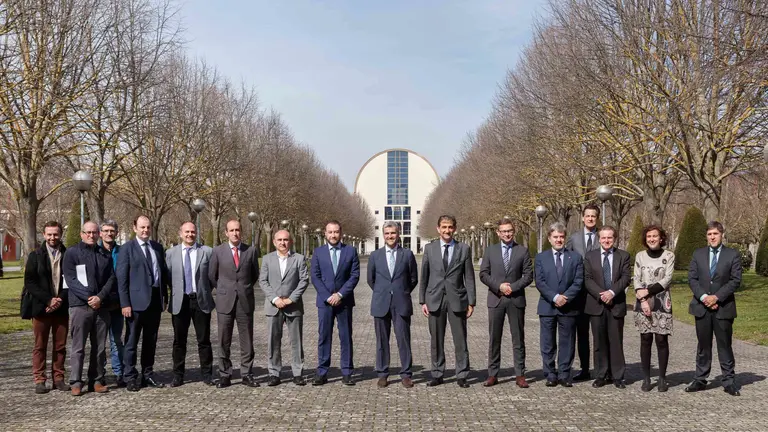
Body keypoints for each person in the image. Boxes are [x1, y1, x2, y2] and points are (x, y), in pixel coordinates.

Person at [685, 221, 742, 396]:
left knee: (724, 345)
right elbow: (692, 279)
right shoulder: (698, 254)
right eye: (709, 234)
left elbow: (735, 280)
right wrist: (704, 297)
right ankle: (700, 379)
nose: (712, 237)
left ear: (721, 235)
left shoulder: (732, 255)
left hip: (723, 307)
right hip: (701, 307)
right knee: (703, 346)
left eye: (715, 234)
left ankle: (729, 381)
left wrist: (716, 297)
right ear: (706, 236)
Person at [419, 215, 476, 388]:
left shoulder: (464, 249)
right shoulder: (429, 249)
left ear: (455, 228)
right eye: (443, 227)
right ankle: (437, 373)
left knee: (460, 340)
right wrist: (423, 301)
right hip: (435, 299)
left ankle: (462, 374)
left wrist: (471, 302)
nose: (447, 230)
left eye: (450, 227)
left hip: (457, 300)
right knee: (436, 340)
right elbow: (425, 276)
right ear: (438, 228)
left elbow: (469, 277)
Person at [62, 221, 117, 396]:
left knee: (99, 346)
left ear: (98, 234)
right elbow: (71, 280)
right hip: (79, 306)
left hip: (101, 307)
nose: (91, 235)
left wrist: (100, 297)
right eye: (88, 232)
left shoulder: (104, 254)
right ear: (81, 234)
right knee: (78, 346)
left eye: (94, 232)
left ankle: (97, 379)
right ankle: (76, 381)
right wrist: (89, 298)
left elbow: (111, 278)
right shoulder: (71, 253)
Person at [479, 218, 533, 388]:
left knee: (518, 339)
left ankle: (520, 374)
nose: (507, 234)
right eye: (503, 231)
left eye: (509, 230)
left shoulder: (522, 251)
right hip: (496, 299)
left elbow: (528, 275)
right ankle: (493, 374)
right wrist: (499, 287)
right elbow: (483, 274)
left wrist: (513, 287)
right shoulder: (490, 251)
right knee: (494, 338)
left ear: (513, 231)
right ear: (498, 233)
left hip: (516, 300)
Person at [116, 215, 168, 392]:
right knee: (131, 341)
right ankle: (130, 376)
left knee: (150, 341)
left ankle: (148, 374)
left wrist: (165, 297)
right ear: (134, 228)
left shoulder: (157, 248)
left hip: (154, 302)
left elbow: (163, 274)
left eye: (148, 227)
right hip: (134, 304)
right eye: (142, 227)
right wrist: (125, 304)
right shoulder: (127, 249)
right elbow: (121, 279)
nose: (145, 231)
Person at [209, 219, 260, 388]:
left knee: (247, 340)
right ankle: (225, 374)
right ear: (226, 232)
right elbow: (212, 276)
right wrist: (224, 289)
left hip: (244, 301)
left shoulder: (251, 251)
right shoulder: (217, 251)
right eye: (231, 230)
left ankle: (247, 373)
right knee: (224, 339)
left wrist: (242, 289)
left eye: (237, 230)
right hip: (225, 301)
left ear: (241, 231)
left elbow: (254, 275)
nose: (235, 233)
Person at [367, 221, 418, 388]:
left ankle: (406, 374)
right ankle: (382, 373)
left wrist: (400, 291)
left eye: (393, 233)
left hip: (401, 302)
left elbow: (413, 279)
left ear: (399, 234)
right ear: (383, 235)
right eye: (387, 233)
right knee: (382, 340)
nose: (390, 236)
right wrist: (384, 291)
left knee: (403, 339)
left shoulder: (407, 254)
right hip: (381, 303)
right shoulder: (375, 256)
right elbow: (371, 280)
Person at [310, 220, 360, 386]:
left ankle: (347, 372)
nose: (333, 235)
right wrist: (327, 296)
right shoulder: (318, 252)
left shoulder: (350, 251)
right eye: (330, 232)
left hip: (344, 301)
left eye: (336, 232)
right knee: (324, 337)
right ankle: (322, 372)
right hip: (324, 303)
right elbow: (315, 277)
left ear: (341, 233)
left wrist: (339, 294)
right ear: (325, 233)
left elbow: (354, 276)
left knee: (345, 337)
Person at [166, 222, 215, 387]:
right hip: (180, 301)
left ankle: (207, 374)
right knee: (179, 341)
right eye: (187, 232)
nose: (190, 235)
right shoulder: (170, 253)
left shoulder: (207, 252)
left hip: (200, 300)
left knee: (204, 340)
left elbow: (212, 276)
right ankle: (178, 375)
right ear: (180, 233)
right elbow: (167, 276)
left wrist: (205, 290)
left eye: (193, 232)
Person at [535, 222, 583, 387]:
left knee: (567, 342)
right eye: (555, 237)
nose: (559, 240)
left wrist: (566, 297)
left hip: (568, 306)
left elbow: (578, 281)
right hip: (548, 306)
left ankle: (564, 373)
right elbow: (540, 282)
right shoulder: (541, 258)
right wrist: (555, 297)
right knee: (547, 343)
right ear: (549, 238)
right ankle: (550, 373)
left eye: (561, 237)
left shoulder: (575, 257)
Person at [24, 221, 69, 394]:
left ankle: (59, 378)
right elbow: (30, 282)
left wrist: (59, 301)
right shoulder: (35, 256)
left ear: (60, 235)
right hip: (41, 308)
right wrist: (49, 300)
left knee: (60, 346)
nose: (52, 237)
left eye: (55, 234)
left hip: (62, 307)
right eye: (49, 234)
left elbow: (71, 281)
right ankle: (40, 379)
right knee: (40, 346)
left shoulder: (67, 254)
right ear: (44, 235)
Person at [259, 230, 309, 387]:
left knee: (296, 341)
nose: (282, 242)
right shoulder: (267, 259)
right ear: (274, 242)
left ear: (291, 242)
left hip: (293, 306)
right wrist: (275, 299)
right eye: (279, 240)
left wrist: (290, 299)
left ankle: (297, 373)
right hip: (273, 306)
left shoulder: (299, 259)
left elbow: (304, 281)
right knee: (273, 341)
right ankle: (274, 373)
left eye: (286, 240)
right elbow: (263, 281)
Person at [583, 226, 630, 389]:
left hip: (616, 304)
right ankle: (601, 375)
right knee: (599, 341)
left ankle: (617, 376)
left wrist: (611, 293)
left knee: (616, 341)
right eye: (603, 238)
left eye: (609, 237)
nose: (606, 240)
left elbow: (625, 278)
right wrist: (602, 294)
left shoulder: (623, 256)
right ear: (599, 239)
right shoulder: (590, 256)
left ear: (614, 238)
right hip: (596, 304)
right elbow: (587, 279)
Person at [632, 225, 674, 392]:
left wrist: (648, 291)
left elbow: (667, 278)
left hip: (662, 300)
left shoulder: (669, 255)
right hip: (642, 300)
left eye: (655, 236)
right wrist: (642, 298)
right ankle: (647, 378)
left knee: (661, 339)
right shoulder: (640, 256)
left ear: (661, 238)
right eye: (649, 236)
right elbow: (636, 278)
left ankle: (662, 377)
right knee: (646, 338)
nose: (652, 239)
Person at [565, 204, 600, 381]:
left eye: (593, 216)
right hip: (579, 295)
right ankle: (584, 368)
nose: (590, 219)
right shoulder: (574, 238)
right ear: (583, 218)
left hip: (597, 293)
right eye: (588, 216)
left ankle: (602, 369)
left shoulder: (603, 237)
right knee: (582, 333)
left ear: (597, 218)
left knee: (599, 333)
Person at [98, 219, 125, 387]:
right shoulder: (95, 251)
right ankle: (99, 373)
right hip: (100, 303)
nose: (109, 233)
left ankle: (119, 372)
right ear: (101, 233)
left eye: (112, 231)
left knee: (116, 340)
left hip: (118, 303)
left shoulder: (122, 251)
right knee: (99, 342)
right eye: (106, 230)